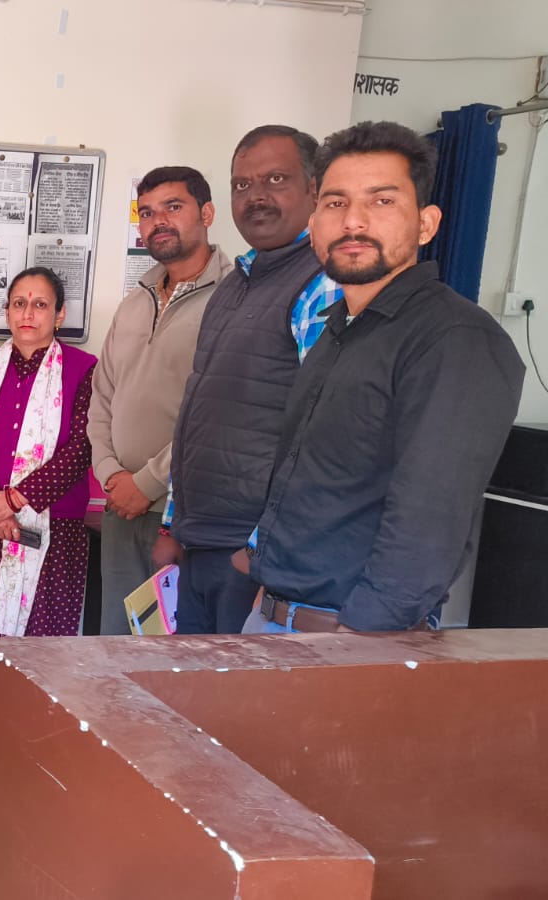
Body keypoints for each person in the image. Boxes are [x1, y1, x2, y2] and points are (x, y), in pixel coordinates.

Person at [241, 121, 524, 633]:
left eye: (382, 201)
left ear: (426, 224)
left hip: (350, 639)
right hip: (278, 619)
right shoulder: (337, 330)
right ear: (315, 223)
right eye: (336, 203)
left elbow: (430, 517)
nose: (353, 221)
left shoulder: (454, 338)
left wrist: (362, 637)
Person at [161, 126, 339, 634]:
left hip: (253, 554)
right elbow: (197, 409)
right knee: (188, 681)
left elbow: (322, 434)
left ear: (314, 188)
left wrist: (266, 554)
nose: (256, 196)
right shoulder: (235, 284)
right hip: (204, 542)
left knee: (235, 686)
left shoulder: (322, 283)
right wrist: (173, 522)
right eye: (242, 184)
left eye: (275, 179)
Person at [0, 267, 97, 771]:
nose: (28, 313)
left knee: (43, 635)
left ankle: (36, 742)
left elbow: (81, 448)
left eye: (40, 304)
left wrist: (16, 499)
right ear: (7, 311)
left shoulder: (84, 369)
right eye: (18, 303)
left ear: (60, 314)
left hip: (54, 527)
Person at [86, 166, 233, 634]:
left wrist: (148, 484)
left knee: (174, 649)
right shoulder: (136, 301)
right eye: (146, 213)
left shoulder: (234, 298)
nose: (157, 221)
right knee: (117, 641)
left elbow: (218, 414)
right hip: (120, 509)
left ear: (206, 213)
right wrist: (111, 475)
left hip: (185, 516)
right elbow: (102, 396)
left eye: (173, 207)